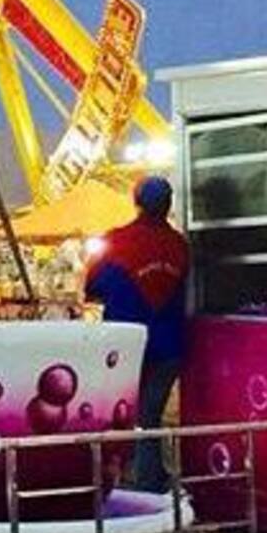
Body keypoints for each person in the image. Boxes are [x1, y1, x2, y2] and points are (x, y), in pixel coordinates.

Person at [84, 176, 189, 492]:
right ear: (169, 204)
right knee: (150, 415)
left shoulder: (116, 241)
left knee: (120, 414)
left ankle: (130, 479)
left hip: (124, 347)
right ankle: (149, 478)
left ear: (137, 202)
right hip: (169, 347)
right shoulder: (180, 246)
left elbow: (92, 288)